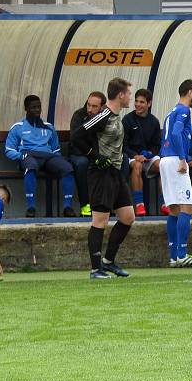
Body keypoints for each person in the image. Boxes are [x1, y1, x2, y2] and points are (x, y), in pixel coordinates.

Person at [72, 78, 136, 280]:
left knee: (128, 217)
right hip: (101, 174)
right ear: (120, 95)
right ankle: (95, 269)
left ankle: (109, 261)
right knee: (100, 220)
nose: (130, 98)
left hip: (115, 173)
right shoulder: (103, 115)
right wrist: (94, 156)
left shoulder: (117, 116)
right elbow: (77, 136)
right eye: (129, 94)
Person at [4, 94, 76, 218]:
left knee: (67, 168)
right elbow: (9, 150)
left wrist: (56, 160)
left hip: (48, 158)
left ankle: (67, 207)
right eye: (33, 107)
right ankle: (31, 208)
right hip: (28, 156)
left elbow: (56, 149)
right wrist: (21, 156)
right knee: (31, 166)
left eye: (39, 107)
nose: (37, 110)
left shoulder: (49, 127)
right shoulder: (18, 127)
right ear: (26, 108)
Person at [161, 79, 192, 267]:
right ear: (189, 93)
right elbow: (176, 133)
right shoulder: (184, 110)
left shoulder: (172, 112)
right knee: (187, 207)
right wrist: (182, 158)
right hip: (174, 160)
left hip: (164, 160)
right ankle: (182, 254)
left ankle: (173, 257)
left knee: (174, 209)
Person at [121, 88, 164, 216]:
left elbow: (157, 145)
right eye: (136, 101)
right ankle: (139, 205)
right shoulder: (127, 120)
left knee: (162, 165)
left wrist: (149, 154)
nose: (138, 104)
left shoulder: (154, 121)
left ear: (149, 104)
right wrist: (135, 155)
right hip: (131, 156)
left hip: (147, 157)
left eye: (142, 102)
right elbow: (123, 145)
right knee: (137, 166)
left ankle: (164, 203)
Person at [70, 91, 106, 217]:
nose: (90, 109)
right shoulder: (79, 115)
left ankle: (110, 204)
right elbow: (75, 140)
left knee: (119, 162)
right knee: (82, 163)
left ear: (102, 107)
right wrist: (94, 155)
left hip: (97, 153)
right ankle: (85, 205)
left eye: (94, 106)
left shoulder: (105, 117)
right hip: (79, 153)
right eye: (88, 105)